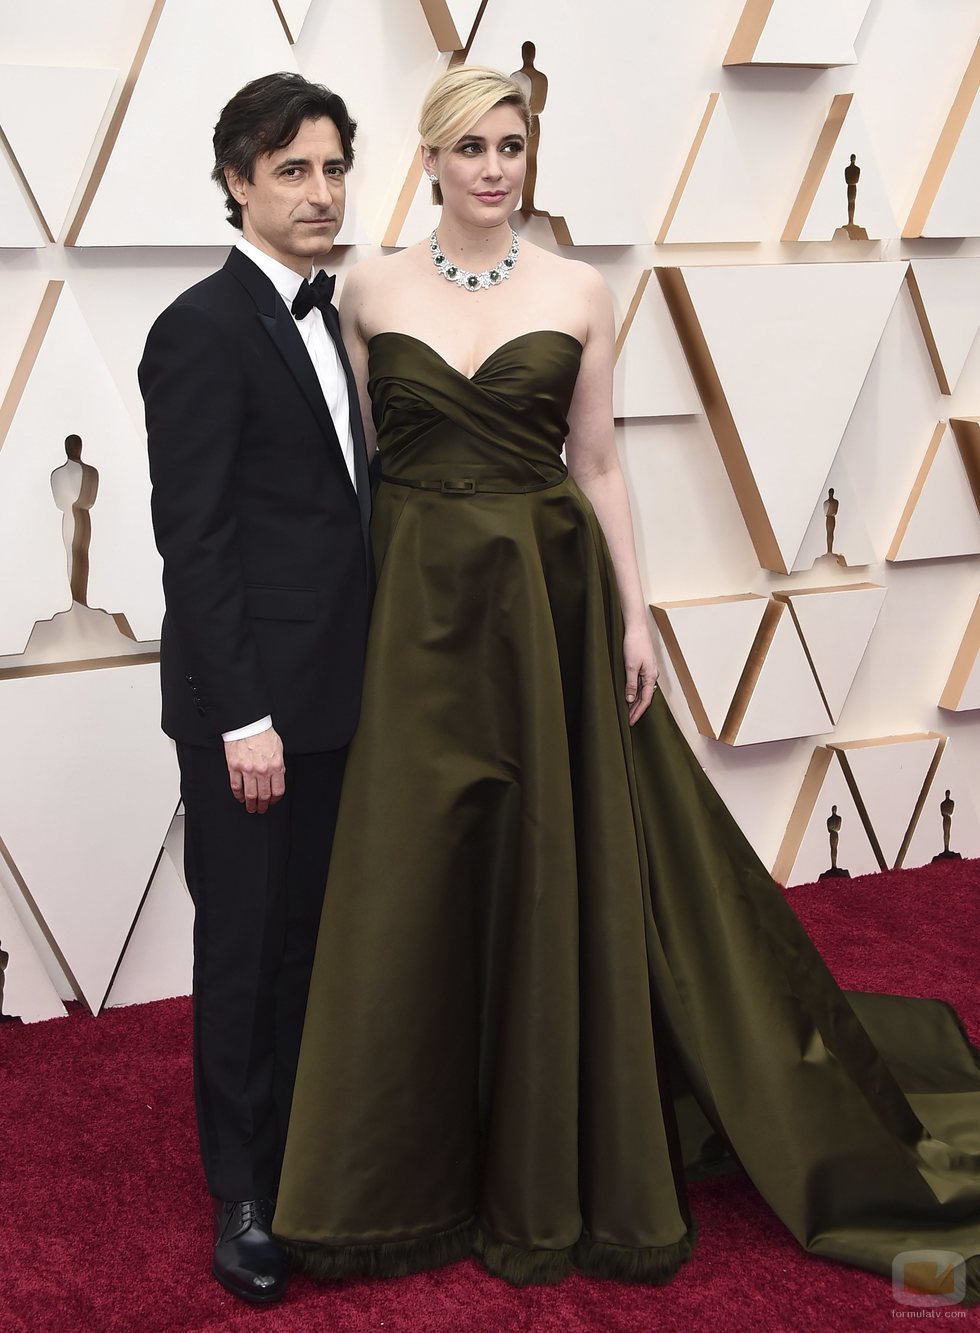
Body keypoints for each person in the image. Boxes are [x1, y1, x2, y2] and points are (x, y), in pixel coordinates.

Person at [274, 67, 980, 1302]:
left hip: (548, 607)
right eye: (472, 148)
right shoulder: (368, 290)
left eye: (513, 146)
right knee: (415, 868)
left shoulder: (580, 290)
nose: (496, 168)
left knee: (555, 854)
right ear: (429, 160)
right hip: (417, 617)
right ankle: (400, 1170)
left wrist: (636, 614)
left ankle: (550, 1151)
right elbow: (368, 466)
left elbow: (596, 462)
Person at [139, 72, 371, 1305]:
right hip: (254, 714)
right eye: (293, 170)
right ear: (237, 180)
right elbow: (199, 542)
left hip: (344, 696)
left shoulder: (343, 317)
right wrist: (242, 717)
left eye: (333, 168)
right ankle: (240, 1194)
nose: (320, 192)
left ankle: (303, 1164)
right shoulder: (198, 327)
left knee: (310, 950)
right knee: (241, 946)